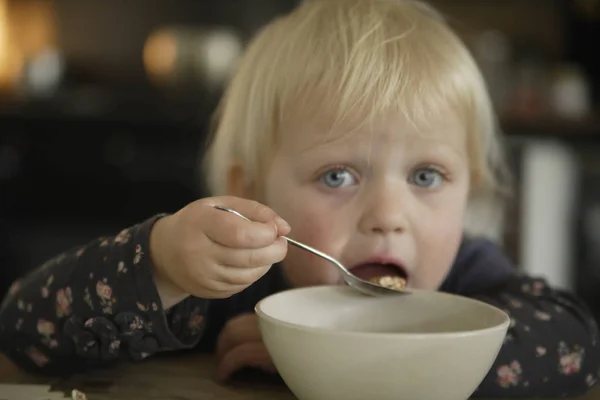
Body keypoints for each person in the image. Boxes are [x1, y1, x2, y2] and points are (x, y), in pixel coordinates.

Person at [1, 0, 598, 397]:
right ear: (251, 192)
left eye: (426, 177)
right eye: (338, 176)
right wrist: (159, 264)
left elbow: (576, 343)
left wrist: (354, 360)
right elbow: (22, 330)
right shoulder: (227, 286)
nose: (389, 218)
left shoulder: (467, 277)